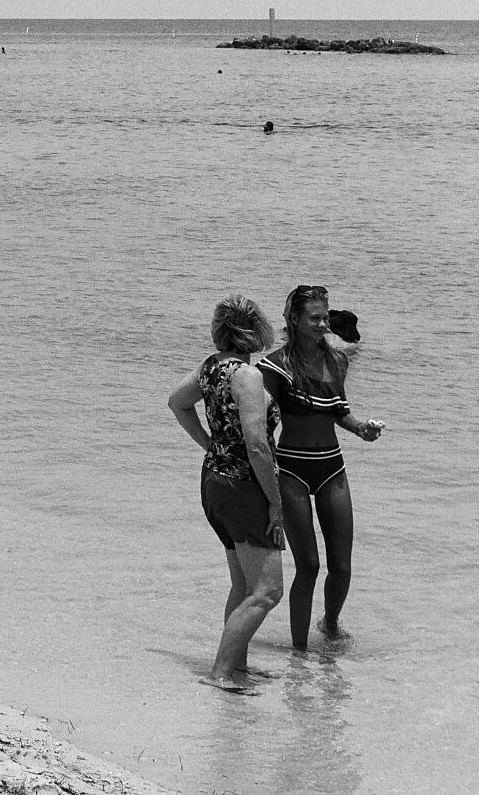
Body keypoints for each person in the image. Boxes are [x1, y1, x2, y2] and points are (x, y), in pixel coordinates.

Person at [167, 294, 285, 692]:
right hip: (243, 487)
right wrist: (276, 503)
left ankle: (237, 667)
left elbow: (177, 403)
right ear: (256, 329)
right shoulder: (247, 376)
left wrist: (210, 445)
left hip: (215, 481)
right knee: (268, 591)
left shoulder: (211, 367)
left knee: (243, 585)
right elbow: (257, 445)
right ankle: (219, 673)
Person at [259, 285, 384, 651]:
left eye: (325, 317)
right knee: (309, 566)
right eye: (313, 318)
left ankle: (329, 626)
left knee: (342, 566)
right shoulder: (274, 366)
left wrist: (360, 427)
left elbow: (339, 410)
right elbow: (261, 425)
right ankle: (299, 653)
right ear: (293, 319)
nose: (322, 324)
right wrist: (264, 480)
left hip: (331, 466)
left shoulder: (337, 361)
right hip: (292, 469)